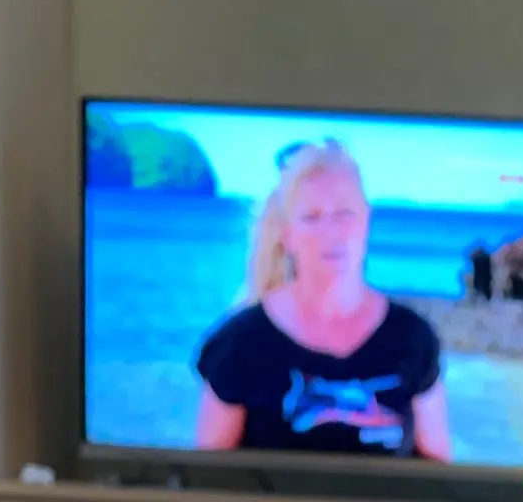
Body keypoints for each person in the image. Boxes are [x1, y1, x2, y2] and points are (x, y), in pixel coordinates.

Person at [194, 141, 453, 461]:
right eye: (312, 217)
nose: (331, 232)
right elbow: (206, 478)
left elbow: (438, 474)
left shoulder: (413, 338)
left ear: (366, 222)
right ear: (287, 234)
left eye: (344, 214)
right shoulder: (239, 343)